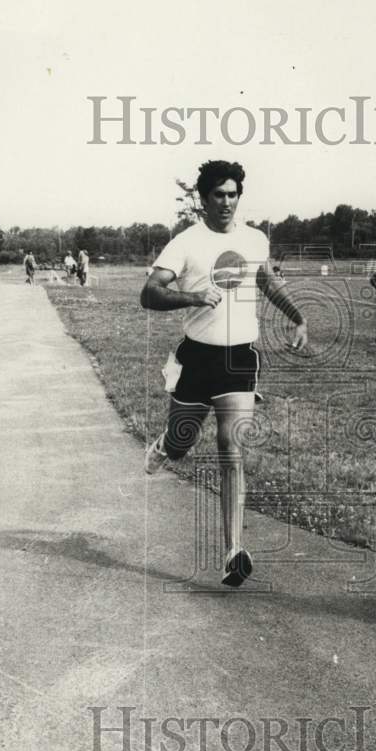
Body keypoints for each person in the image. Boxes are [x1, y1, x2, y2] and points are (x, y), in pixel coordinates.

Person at [140, 159, 307, 588]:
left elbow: (267, 280)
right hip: (197, 358)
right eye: (218, 194)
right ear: (204, 199)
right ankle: (165, 444)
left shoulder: (254, 239)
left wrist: (298, 317)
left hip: (238, 361)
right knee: (181, 443)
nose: (227, 202)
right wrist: (193, 296)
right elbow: (150, 293)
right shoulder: (185, 242)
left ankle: (233, 551)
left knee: (231, 450)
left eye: (233, 194)